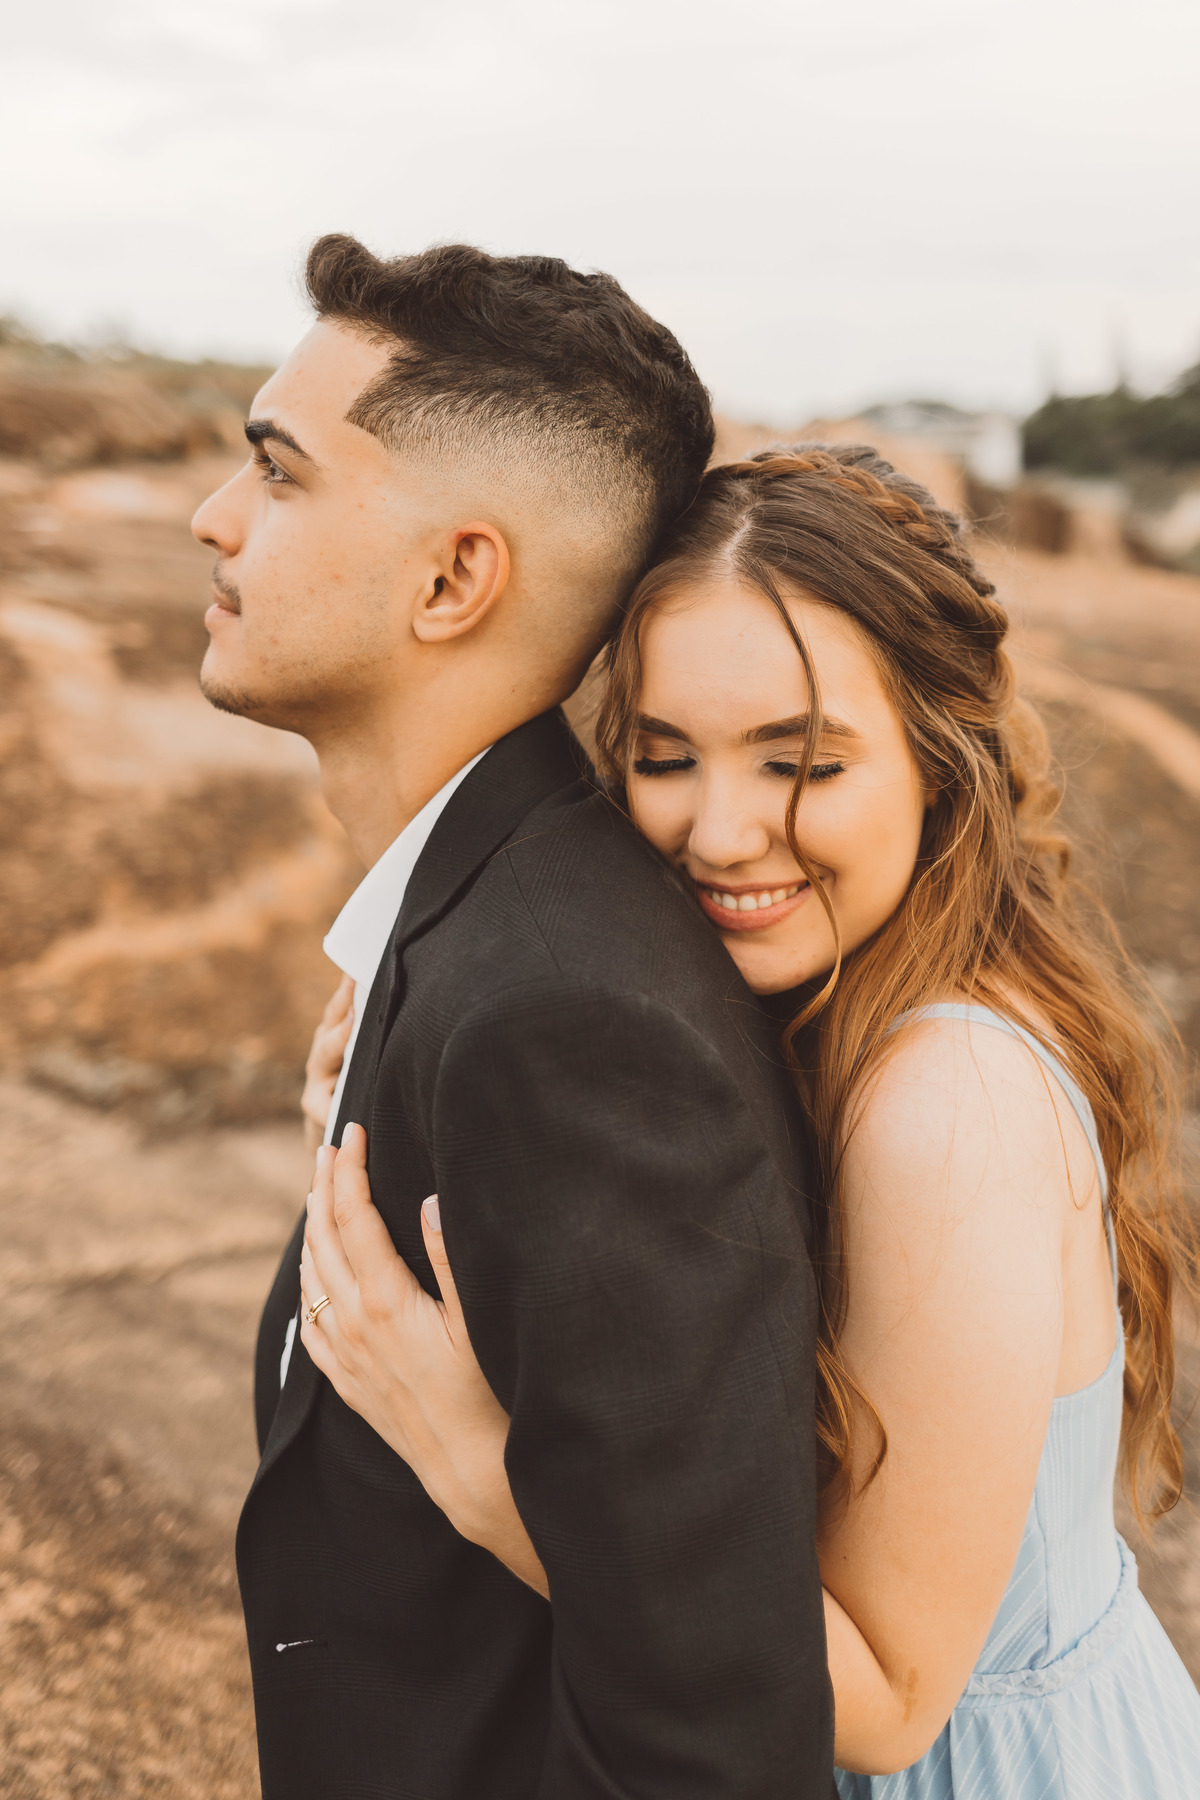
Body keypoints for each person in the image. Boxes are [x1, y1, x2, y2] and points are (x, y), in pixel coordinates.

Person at [299, 445, 1200, 1796]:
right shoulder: (809, 1003)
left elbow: (891, 1703)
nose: (721, 832)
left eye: (805, 763)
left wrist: (486, 1469)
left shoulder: (948, 1108)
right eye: (664, 756)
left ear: (940, 762)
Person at [192, 237, 834, 1799]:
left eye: (276, 472)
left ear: (452, 581)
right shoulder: (476, 929)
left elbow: (707, 1749)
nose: (213, 516)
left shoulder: (565, 1020)